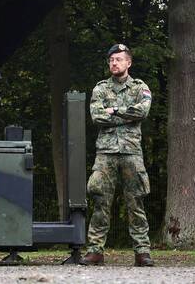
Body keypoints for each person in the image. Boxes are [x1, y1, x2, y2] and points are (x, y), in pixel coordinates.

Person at [80, 43, 154, 267]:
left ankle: (142, 251)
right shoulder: (101, 88)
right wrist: (127, 115)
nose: (114, 63)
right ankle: (95, 251)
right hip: (106, 153)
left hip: (131, 151)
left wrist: (114, 111)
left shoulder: (140, 87)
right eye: (111, 60)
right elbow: (97, 116)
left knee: (136, 202)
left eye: (119, 59)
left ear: (128, 63)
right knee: (101, 201)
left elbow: (143, 111)